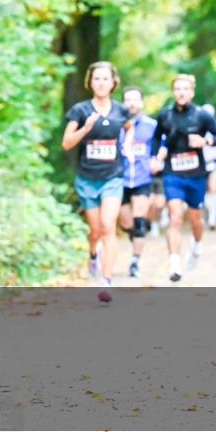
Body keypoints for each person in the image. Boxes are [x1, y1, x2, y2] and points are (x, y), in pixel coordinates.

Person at [62, 61, 132, 299]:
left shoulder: (121, 110)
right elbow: (67, 142)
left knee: (108, 225)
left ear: (114, 82)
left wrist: (128, 145)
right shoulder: (80, 110)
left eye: (105, 79)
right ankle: (93, 254)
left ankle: (106, 280)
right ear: (90, 82)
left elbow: (129, 128)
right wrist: (86, 129)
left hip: (112, 177)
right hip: (87, 178)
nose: (101, 83)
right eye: (97, 79)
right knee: (95, 231)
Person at [150, 74, 216, 282]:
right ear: (173, 92)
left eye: (186, 89)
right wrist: (154, 157)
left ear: (192, 92)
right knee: (175, 216)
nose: (181, 93)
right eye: (177, 89)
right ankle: (174, 263)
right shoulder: (164, 115)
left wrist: (205, 141)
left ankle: (197, 245)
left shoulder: (202, 116)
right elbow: (156, 138)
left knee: (195, 219)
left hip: (196, 174)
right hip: (172, 173)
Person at [119, 86, 158, 278]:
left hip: (143, 179)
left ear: (141, 102)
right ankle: (135, 238)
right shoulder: (116, 124)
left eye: (135, 99)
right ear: (123, 103)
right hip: (120, 180)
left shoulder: (152, 125)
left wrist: (157, 160)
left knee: (139, 221)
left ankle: (135, 261)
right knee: (126, 223)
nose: (132, 103)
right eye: (128, 100)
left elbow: (161, 147)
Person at [201, 104, 216, 229]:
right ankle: (205, 216)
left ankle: (213, 218)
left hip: (214, 162)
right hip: (200, 164)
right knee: (201, 192)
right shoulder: (196, 128)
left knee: (214, 189)